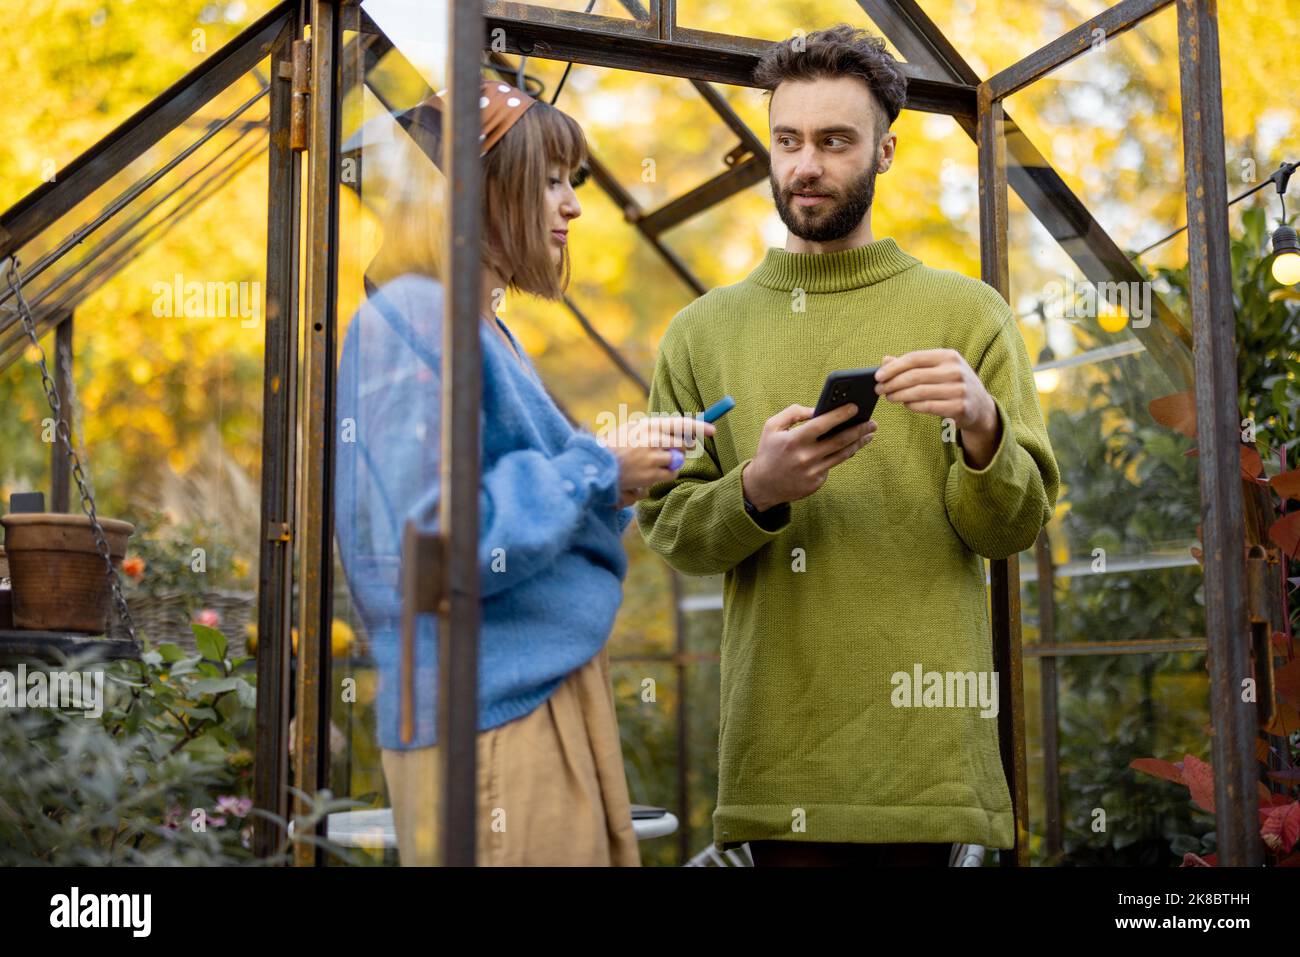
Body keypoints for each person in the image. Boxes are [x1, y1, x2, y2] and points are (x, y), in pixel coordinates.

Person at [636, 25, 1060, 868]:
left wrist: (983, 431)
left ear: (886, 151)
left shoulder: (969, 315)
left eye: (835, 141)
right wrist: (758, 489)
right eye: (787, 140)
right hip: (778, 766)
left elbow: (1011, 530)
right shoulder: (700, 331)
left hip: (929, 773)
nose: (805, 165)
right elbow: (671, 529)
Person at [334, 79, 712, 866]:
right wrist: (595, 468)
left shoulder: (481, 327)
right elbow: (429, 546)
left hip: (532, 698)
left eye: (570, 180)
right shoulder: (410, 318)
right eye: (549, 179)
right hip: (492, 720)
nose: (573, 205)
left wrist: (621, 478)